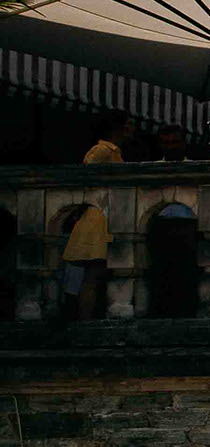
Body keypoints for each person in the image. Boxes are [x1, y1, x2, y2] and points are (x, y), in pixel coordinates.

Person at [64, 112, 135, 319]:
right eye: (129, 124)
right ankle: (85, 321)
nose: (133, 129)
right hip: (98, 218)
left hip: (105, 217)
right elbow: (86, 180)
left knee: (98, 274)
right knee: (93, 275)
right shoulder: (102, 151)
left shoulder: (112, 151)